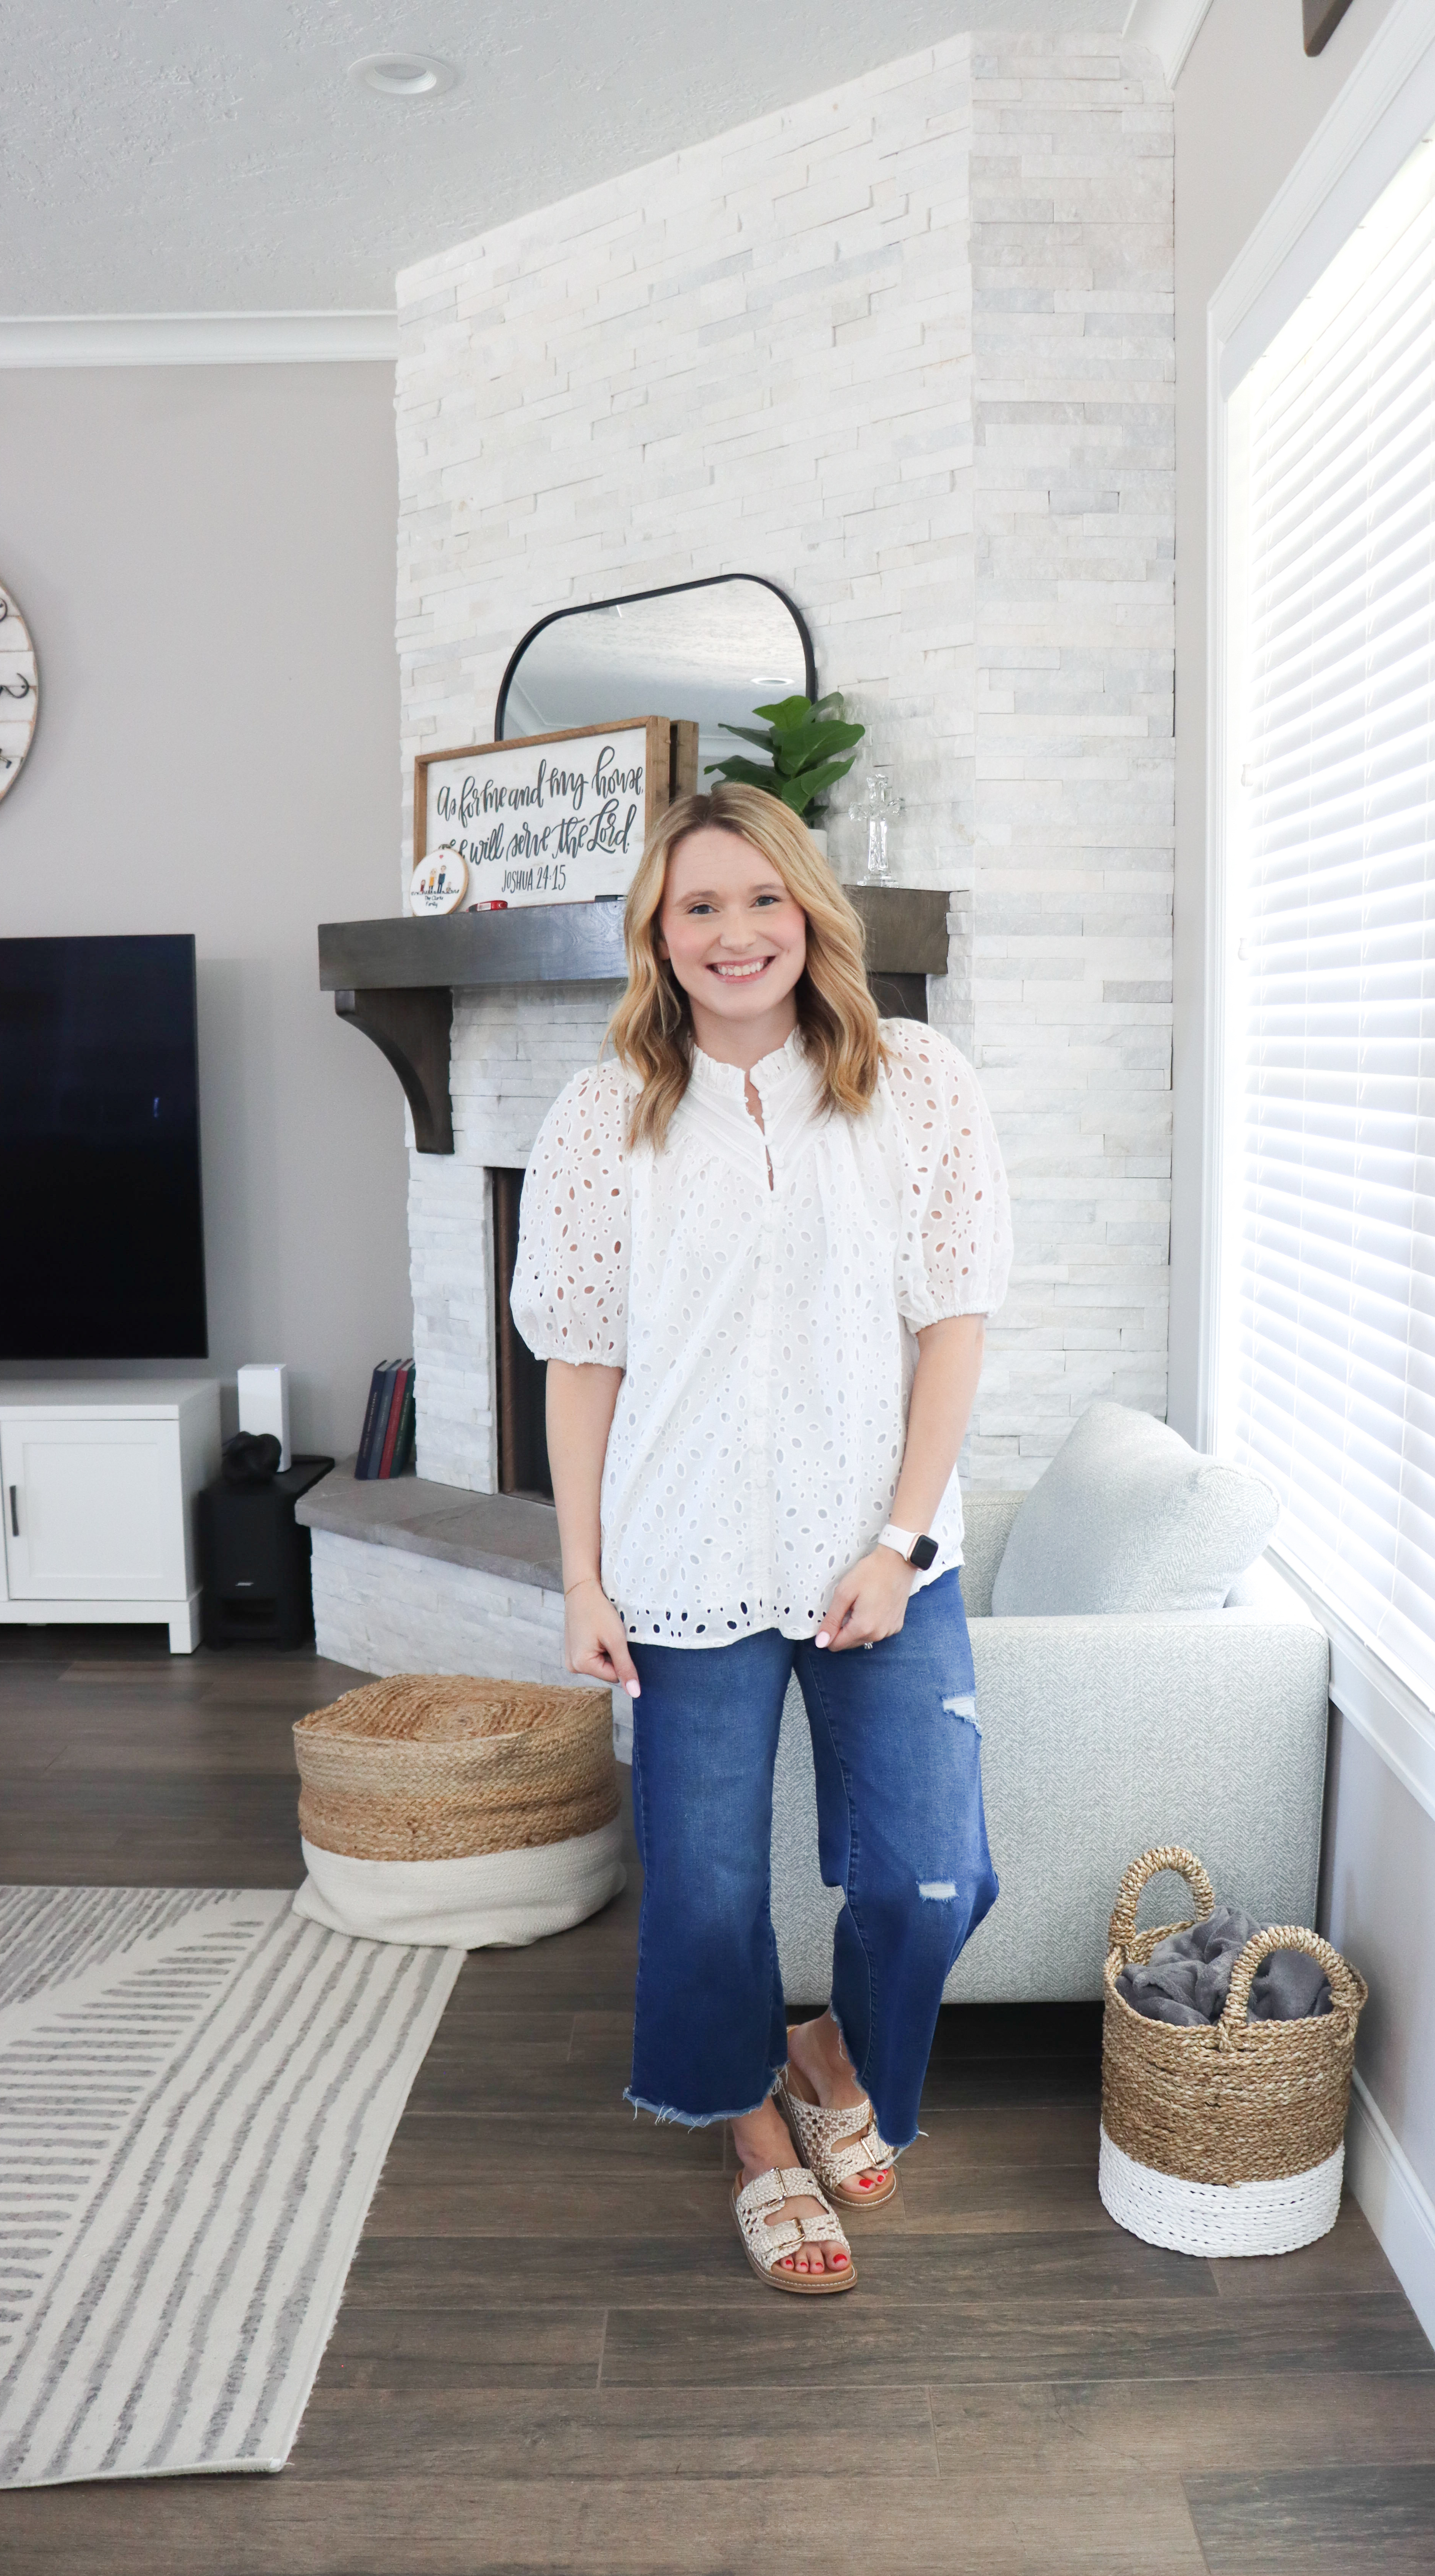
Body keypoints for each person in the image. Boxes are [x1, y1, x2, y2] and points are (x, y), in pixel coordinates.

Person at [511, 783, 1011, 2297]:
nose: (735, 935)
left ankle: (826, 2051)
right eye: (697, 909)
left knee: (934, 1875)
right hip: (680, 1565)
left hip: (878, 1560)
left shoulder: (914, 1083)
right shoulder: (603, 1114)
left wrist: (900, 1540)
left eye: (762, 901)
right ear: (656, 940)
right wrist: (583, 1575)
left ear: (809, 912)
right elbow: (582, 1356)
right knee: (710, 1890)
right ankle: (752, 2141)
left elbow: (954, 1327)